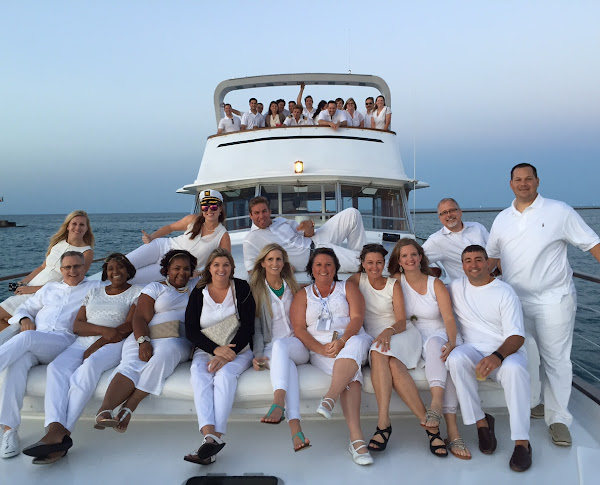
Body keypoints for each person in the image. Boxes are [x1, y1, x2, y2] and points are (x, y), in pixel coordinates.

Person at [486, 162, 600, 446]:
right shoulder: (502, 218)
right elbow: (492, 259)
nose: (523, 183)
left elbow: (592, 244)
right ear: (510, 184)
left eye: (528, 178)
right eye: (518, 179)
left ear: (537, 181)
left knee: (556, 359)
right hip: (515, 302)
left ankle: (558, 418)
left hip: (553, 299)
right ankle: (537, 401)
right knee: (526, 356)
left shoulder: (559, 211)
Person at [20, 254, 141, 464]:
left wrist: (98, 343)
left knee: (88, 367)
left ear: (128, 270)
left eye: (120, 267)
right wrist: (99, 332)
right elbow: (78, 326)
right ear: (106, 273)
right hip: (83, 340)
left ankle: (62, 434)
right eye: (110, 268)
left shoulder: (137, 292)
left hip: (113, 343)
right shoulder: (94, 292)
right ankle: (54, 427)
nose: (115, 272)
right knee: (56, 368)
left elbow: (127, 326)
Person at [0, 251, 102, 459]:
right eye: (68, 267)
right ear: (61, 270)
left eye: (77, 266)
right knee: (16, 364)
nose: (72, 271)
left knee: (26, 338)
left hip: (62, 341)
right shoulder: (49, 288)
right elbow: (25, 308)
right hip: (37, 342)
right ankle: (9, 431)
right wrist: (24, 319)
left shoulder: (95, 288)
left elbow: (121, 293)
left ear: (85, 267)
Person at [447, 245, 532, 472]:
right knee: (455, 358)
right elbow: (426, 288)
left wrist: (497, 356)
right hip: (473, 352)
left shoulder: (504, 292)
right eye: (468, 261)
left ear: (487, 263)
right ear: (462, 266)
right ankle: (482, 423)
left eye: (478, 259)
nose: (473, 265)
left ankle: (522, 443)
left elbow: (517, 336)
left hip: (506, 353)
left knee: (515, 371)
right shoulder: (456, 287)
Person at [93, 250, 198, 434]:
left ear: (192, 271)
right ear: (167, 270)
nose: (181, 272)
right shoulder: (155, 288)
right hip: (146, 335)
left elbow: (217, 272)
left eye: (186, 269)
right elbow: (140, 317)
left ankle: (129, 406)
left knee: (165, 355)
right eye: (176, 268)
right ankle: (105, 410)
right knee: (131, 364)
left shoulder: (196, 285)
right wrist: (143, 341)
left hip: (177, 339)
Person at [348, 244, 439, 455]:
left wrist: (388, 332)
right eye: (370, 262)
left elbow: (401, 321)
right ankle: (431, 428)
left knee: (378, 350)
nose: (375, 267)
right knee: (394, 365)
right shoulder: (356, 280)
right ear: (363, 264)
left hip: (399, 333)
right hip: (375, 338)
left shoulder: (393, 284)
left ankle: (383, 423)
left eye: (379, 262)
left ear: (384, 263)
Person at [291, 248, 373, 465]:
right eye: (318, 264)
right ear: (311, 269)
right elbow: (299, 329)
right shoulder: (303, 295)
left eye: (328, 264)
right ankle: (357, 441)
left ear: (335, 268)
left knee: (355, 347)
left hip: (352, 339)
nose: (323, 269)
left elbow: (357, 318)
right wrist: (320, 349)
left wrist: (342, 341)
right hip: (321, 349)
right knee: (351, 377)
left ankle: (330, 398)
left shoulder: (348, 288)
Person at [389, 238, 467, 459]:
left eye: (414, 254)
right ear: (399, 261)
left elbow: (449, 318)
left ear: (420, 257)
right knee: (398, 358)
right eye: (404, 256)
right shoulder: (396, 282)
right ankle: (452, 432)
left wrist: (452, 341)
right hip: (413, 335)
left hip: (439, 333)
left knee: (439, 350)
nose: (410, 259)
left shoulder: (435, 284)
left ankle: (438, 406)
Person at [183, 249, 255, 465]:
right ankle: (209, 439)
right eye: (216, 265)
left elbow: (248, 327)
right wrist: (216, 350)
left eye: (226, 265)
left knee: (224, 376)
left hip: (239, 349)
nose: (221, 269)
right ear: (209, 268)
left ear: (232, 267)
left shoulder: (241, 288)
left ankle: (213, 440)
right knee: (199, 374)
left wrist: (228, 354)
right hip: (207, 348)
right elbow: (191, 330)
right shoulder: (199, 291)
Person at [249, 244, 310, 452]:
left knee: (281, 347)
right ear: (263, 263)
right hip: (270, 347)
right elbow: (257, 329)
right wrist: (258, 354)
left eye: (278, 259)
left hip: (297, 344)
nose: (275, 263)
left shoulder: (293, 287)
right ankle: (296, 429)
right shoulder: (256, 291)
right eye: (270, 259)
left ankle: (278, 402)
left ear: (284, 263)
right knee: (287, 367)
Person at [0, 210, 94, 331]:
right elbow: (43, 267)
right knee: (8, 320)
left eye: (82, 224)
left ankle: (24, 336)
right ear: (68, 226)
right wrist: (23, 282)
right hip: (31, 286)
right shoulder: (58, 243)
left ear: (87, 228)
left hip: (46, 293)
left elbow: (72, 283)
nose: (77, 227)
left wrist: (32, 289)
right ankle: (23, 336)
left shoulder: (86, 252)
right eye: (74, 224)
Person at [125, 189, 230, 284]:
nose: (209, 210)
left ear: (220, 208)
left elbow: (223, 263)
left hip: (173, 266)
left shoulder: (222, 235)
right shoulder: (193, 219)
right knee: (122, 265)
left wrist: (199, 273)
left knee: (130, 278)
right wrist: (151, 237)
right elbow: (170, 227)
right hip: (160, 247)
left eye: (213, 206)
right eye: (205, 207)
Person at [243, 196, 366, 273]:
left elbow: (307, 234)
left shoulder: (280, 221)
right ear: (250, 215)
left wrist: (309, 226)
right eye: (257, 213)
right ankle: (362, 258)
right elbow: (251, 270)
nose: (261, 216)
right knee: (364, 263)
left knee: (352, 214)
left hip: (317, 238)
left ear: (269, 211)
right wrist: (280, 270)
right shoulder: (251, 240)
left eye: (264, 211)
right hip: (314, 257)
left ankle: (360, 252)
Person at [423, 198, 489, 281]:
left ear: (460, 212)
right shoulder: (436, 240)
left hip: (495, 279)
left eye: (452, 210)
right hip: (466, 286)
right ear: (440, 218)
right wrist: (431, 274)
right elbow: (416, 260)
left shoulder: (477, 228)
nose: (449, 215)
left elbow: (495, 251)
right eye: (444, 213)